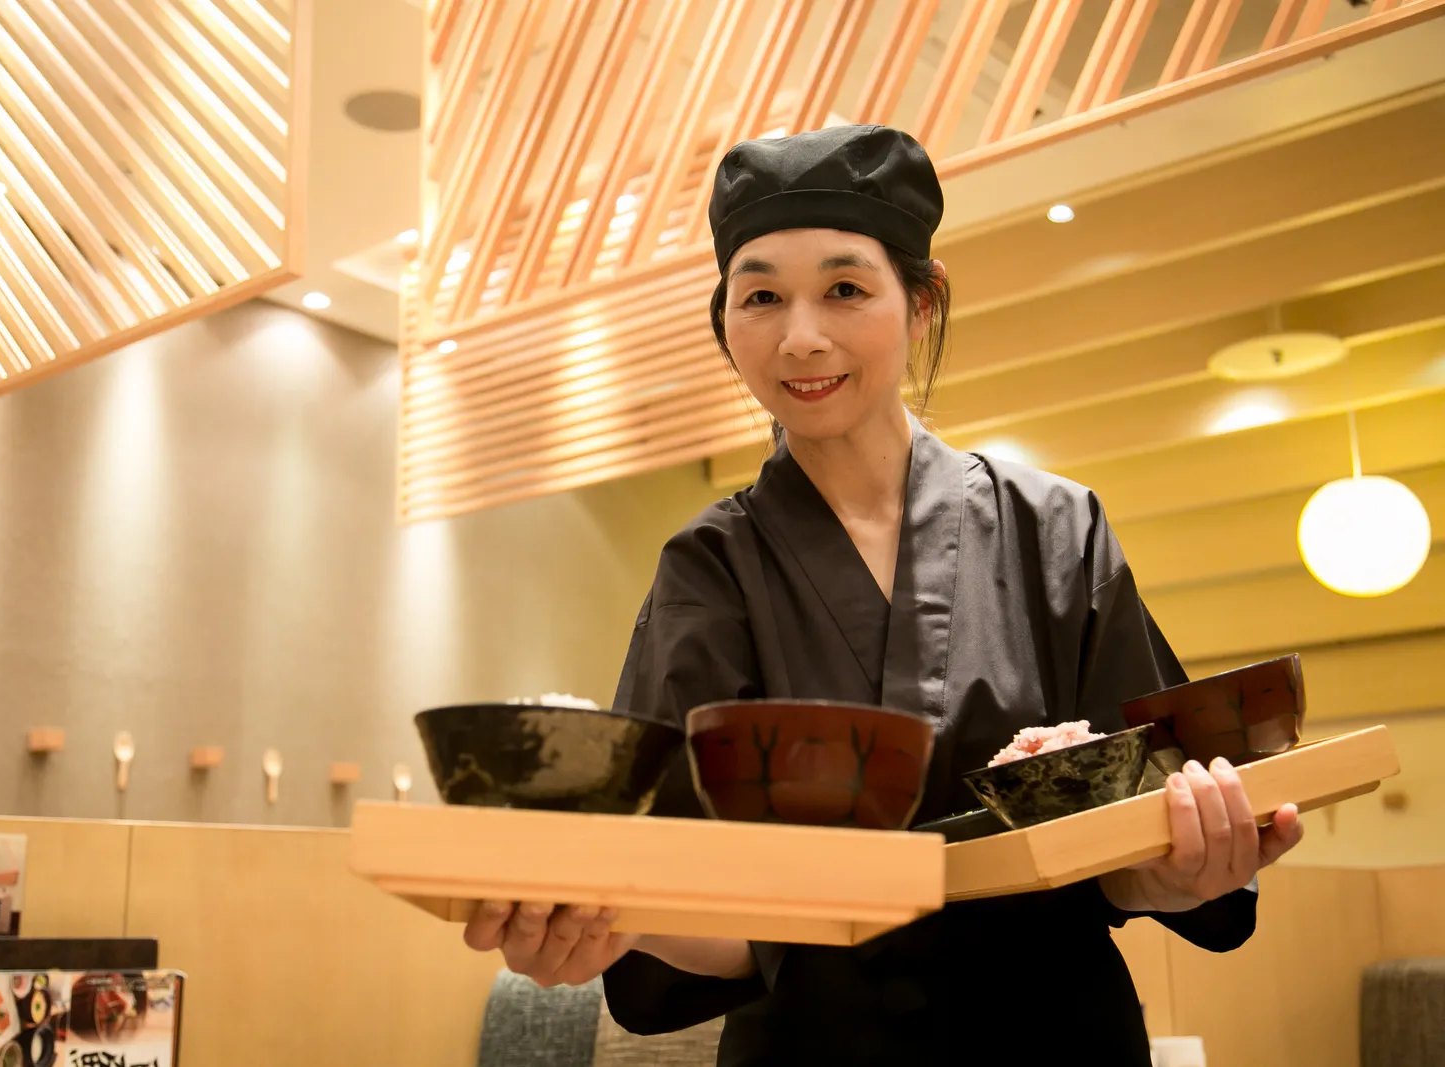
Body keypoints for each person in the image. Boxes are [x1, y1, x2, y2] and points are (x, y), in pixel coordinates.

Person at [462, 124, 1304, 1065]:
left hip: (1053, 1036)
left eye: (846, 288)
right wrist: (597, 916)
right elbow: (690, 891)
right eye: (762, 296)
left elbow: (1129, 843)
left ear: (921, 304)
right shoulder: (708, 567)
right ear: (725, 320)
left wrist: (1187, 868)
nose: (801, 335)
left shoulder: (1055, 529)